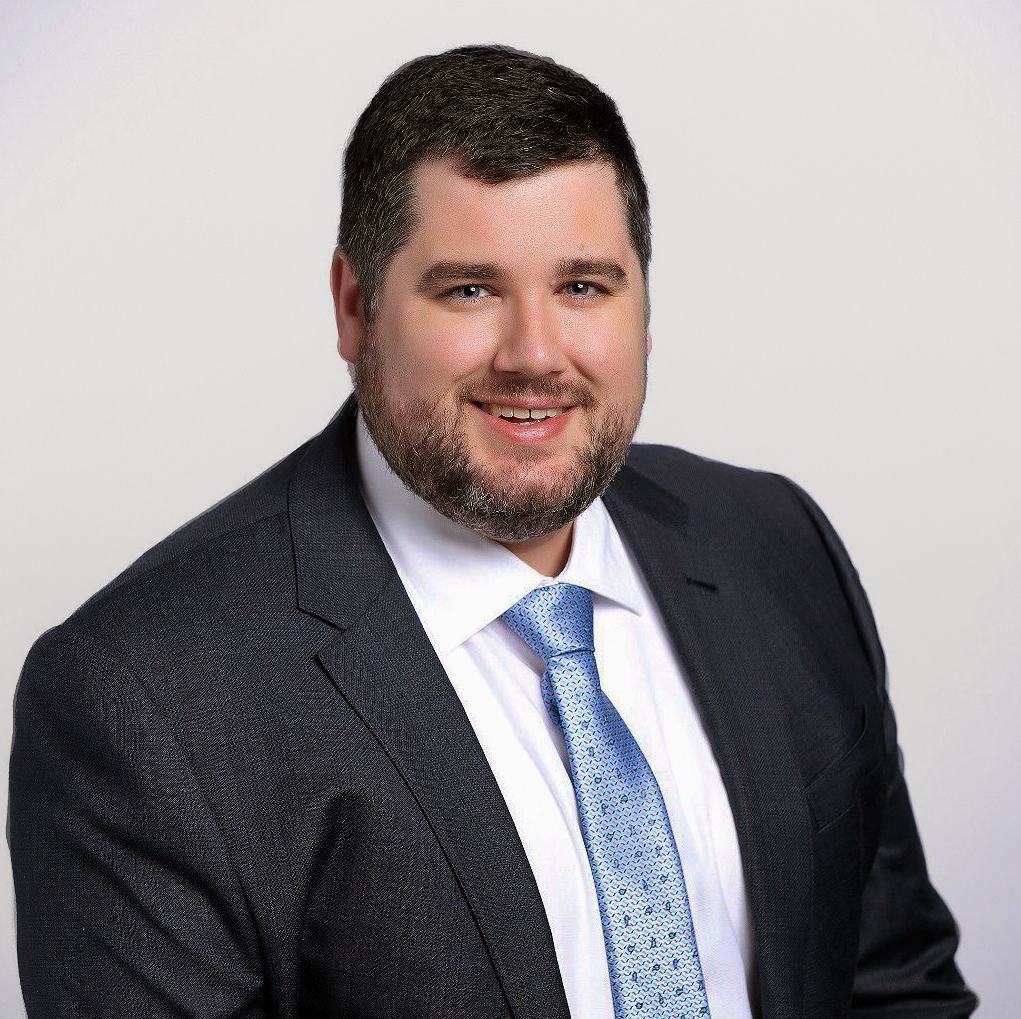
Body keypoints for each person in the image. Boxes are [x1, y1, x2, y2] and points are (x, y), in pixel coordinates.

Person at [7, 43, 976, 1019]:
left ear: (644, 303)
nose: (535, 355)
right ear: (355, 307)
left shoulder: (777, 545)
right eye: (470, 289)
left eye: (583, 286)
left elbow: (895, 984)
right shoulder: (145, 700)